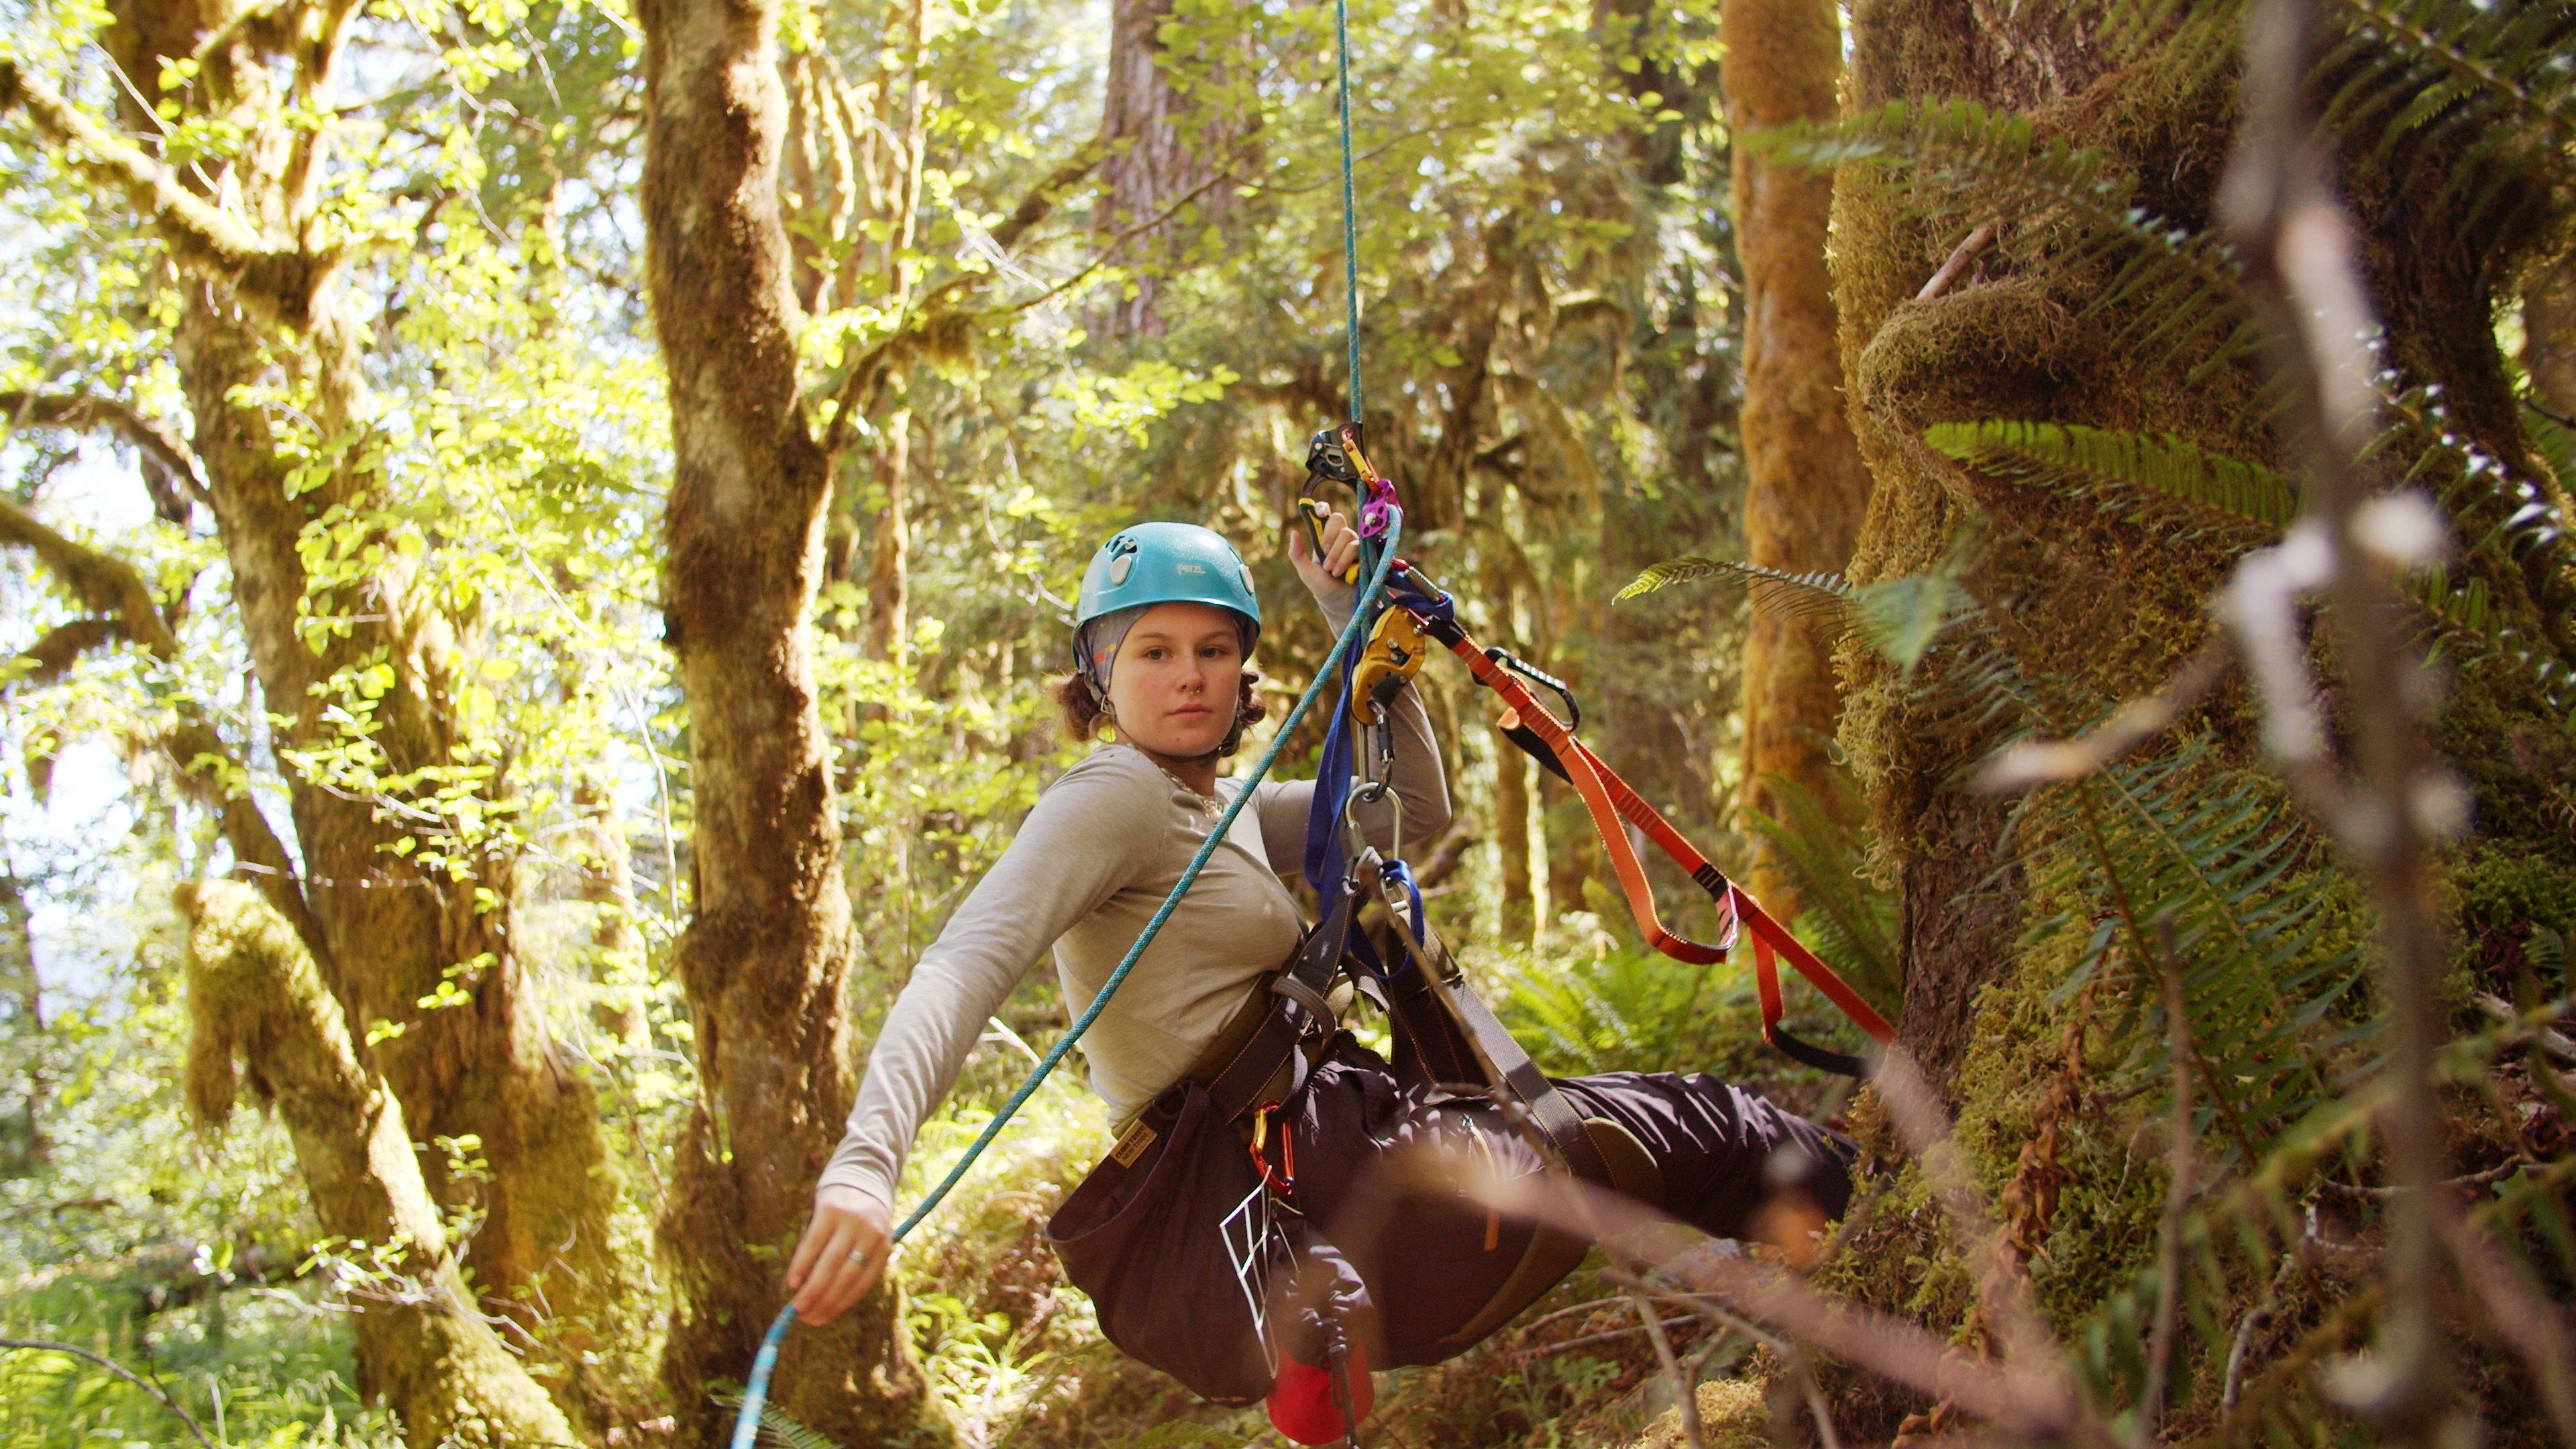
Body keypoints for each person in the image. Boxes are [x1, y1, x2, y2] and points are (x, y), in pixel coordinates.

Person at [784, 512, 1852, 1407]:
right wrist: (869, 1165)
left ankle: (1856, 1280)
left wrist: (1358, 617)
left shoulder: (1223, 811)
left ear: (1246, 668)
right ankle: (1889, 1213)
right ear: (1098, 674)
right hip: (1309, 1173)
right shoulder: (1112, 800)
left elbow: (1410, 811)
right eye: (1153, 651)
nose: (1191, 677)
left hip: (1331, 1165)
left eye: (1214, 649)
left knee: (1674, 1137)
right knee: (1701, 1126)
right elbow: (965, 963)